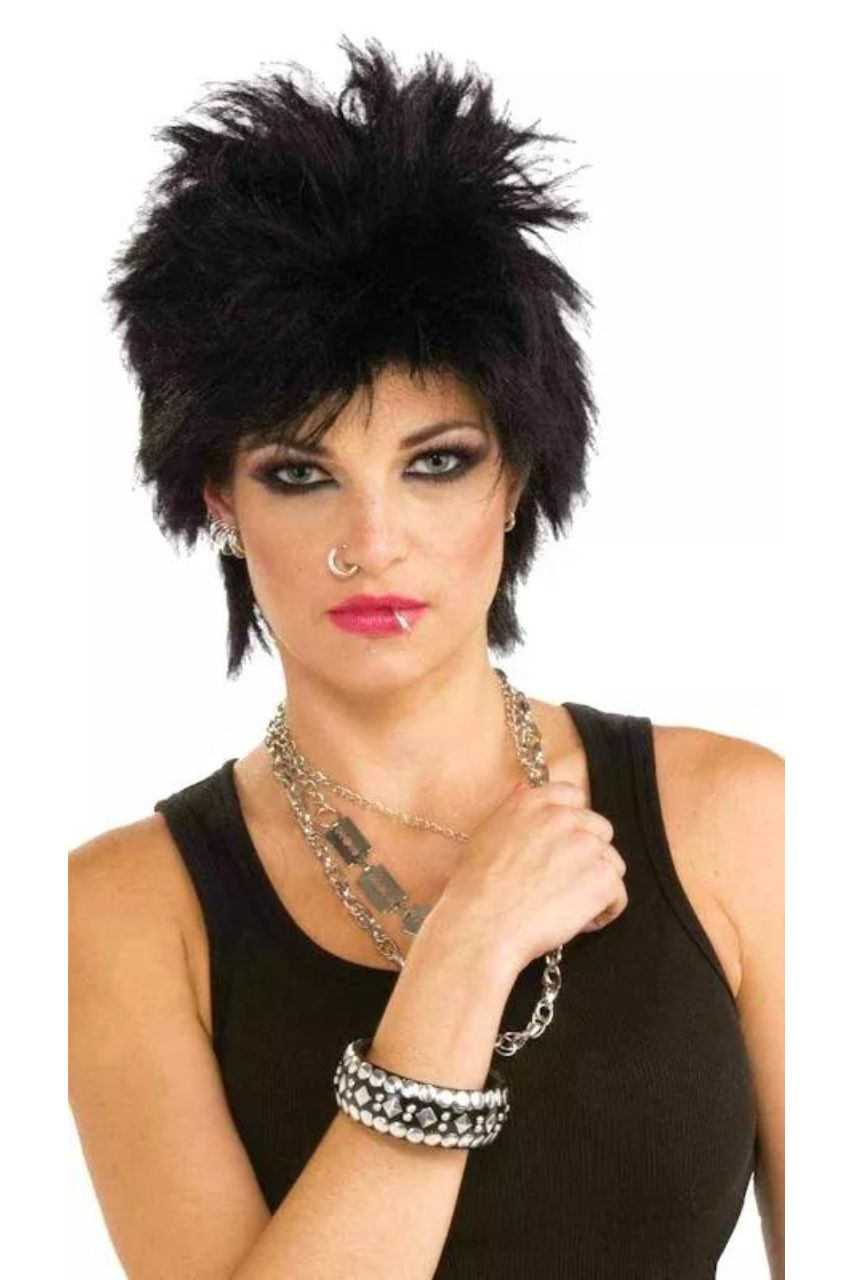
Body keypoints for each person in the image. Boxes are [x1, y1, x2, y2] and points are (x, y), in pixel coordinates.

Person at [68, 36, 784, 1279]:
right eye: (301, 473)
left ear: (516, 477)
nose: (373, 540)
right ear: (220, 500)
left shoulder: (736, 817)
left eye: (435, 461)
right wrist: (464, 952)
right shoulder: (122, 912)